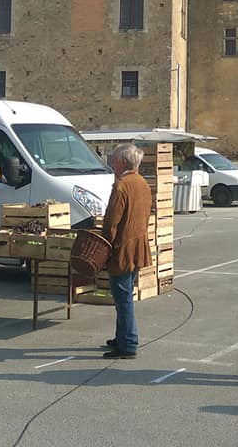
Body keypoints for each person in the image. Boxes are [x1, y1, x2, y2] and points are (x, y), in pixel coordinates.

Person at [100, 143, 152, 359]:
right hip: (138, 246)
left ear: (123, 161)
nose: (112, 163)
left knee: (123, 299)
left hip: (123, 249)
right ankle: (121, 337)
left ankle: (128, 343)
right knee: (125, 294)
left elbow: (112, 221)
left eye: (114, 159)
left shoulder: (122, 185)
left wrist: (105, 246)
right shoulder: (142, 183)